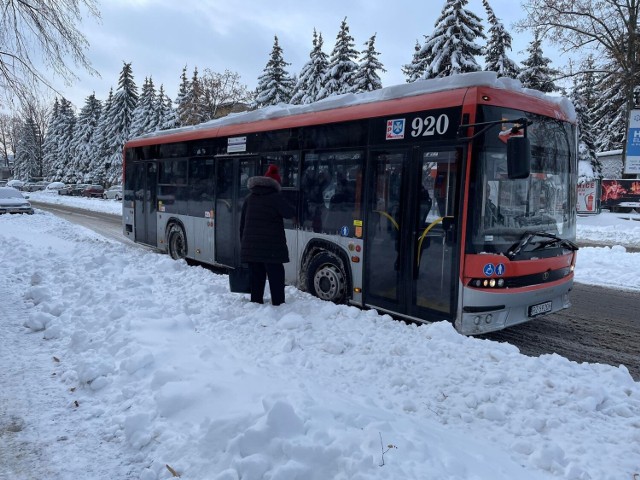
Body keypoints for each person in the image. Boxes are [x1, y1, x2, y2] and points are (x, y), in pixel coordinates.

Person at [240, 164, 295, 305]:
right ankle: (278, 304)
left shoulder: (249, 198)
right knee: (276, 277)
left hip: (252, 247)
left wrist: (245, 245)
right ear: (275, 184)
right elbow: (290, 213)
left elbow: (242, 224)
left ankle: (256, 301)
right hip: (272, 249)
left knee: (256, 278)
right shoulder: (276, 198)